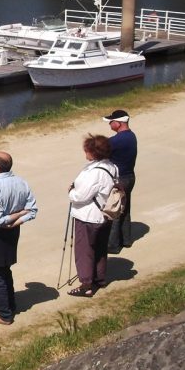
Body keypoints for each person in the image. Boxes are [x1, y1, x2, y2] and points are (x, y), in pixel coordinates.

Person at [0, 151, 38, 325]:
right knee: (5, 269)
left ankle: (4, 314)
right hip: (13, 230)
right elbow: (32, 210)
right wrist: (19, 218)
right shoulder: (21, 182)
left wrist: (13, 219)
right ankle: (10, 304)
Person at [67, 134, 117, 297]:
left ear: (94, 152)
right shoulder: (112, 167)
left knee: (84, 251)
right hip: (105, 215)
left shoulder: (95, 173)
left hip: (89, 217)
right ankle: (99, 279)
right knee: (100, 248)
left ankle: (86, 285)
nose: (85, 153)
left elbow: (81, 196)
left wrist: (71, 192)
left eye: (87, 150)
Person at [103, 109, 137, 254]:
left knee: (114, 210)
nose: (110, 124)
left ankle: (112, 245)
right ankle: (126, 239)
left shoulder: (116, 141)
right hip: (129, 177)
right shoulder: (131, 136)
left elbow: (100, 152)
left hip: (119, 180)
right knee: (125, 208)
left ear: (119, 123)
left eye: (111, 121)